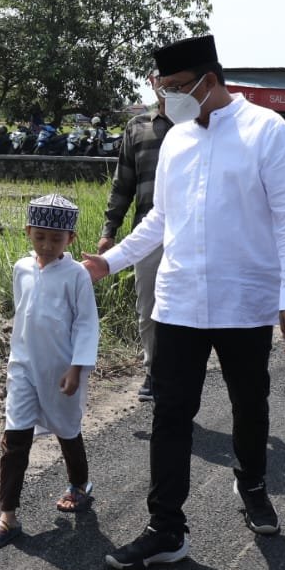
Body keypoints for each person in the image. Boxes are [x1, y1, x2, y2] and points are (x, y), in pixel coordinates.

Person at [82, 34, 285, 570]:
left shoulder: (266, 131)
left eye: (178, 89)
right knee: (171, 414)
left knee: (249, 401)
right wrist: (108, 261)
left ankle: (252, 484)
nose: (169, 101)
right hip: (180, 299)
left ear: (211, 81)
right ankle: (166, 528)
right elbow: (160, 219)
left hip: (245, 299)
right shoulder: (176, 141)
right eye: (163, 91)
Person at [0, 194, 100, 549]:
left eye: (56, 239)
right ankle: (8, 515)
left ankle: (80, 485)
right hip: (23, 367)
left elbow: (86, 325)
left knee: (67, 430)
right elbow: (23, 316)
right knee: (15, 438)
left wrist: (77, 369)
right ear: (28, 232)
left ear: (71, 240)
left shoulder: (76, 275)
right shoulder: (21, 268)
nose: (47, 245)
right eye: (40, 237)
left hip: (62, 369)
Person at [99, 93, 172, 400]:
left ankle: (181, 371)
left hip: (195, 234)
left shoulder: (201, 123)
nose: (169, 89)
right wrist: (109, 229)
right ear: (155, 86)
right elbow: (123, 182)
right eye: (162, 81)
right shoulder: (138, 127)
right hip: (148, 234)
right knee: (149, 307)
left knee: (189, 308)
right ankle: (154, 371)